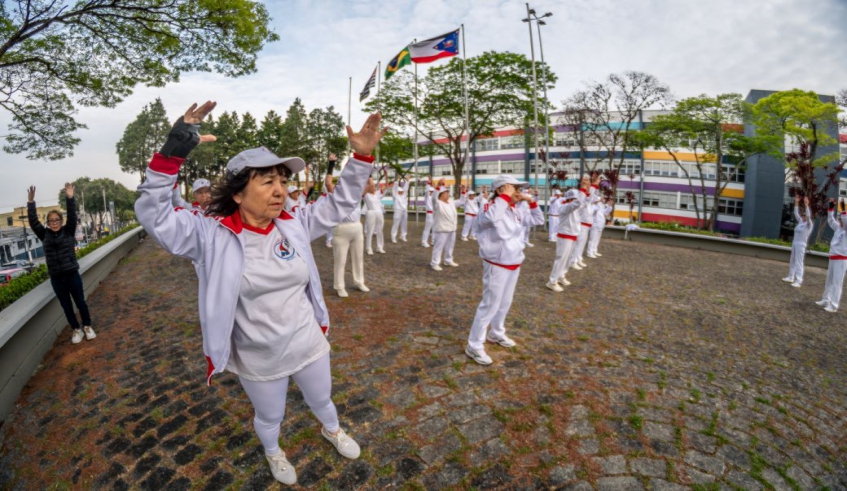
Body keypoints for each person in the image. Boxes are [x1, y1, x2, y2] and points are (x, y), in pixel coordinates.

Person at [135, 102, 387, 485]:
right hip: (258, 355)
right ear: (238, 193)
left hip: (306, 342)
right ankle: (274, 451)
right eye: (268, 182)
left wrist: (362, 156)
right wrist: (173, 153)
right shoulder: (209, 235)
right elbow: (154, 215)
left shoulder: (295, 222)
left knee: (323, 399)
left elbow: (340, 203)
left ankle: (332, 429)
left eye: (283, 182)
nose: (280, 191)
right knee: (271, 416)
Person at [466, 175, 544, 365]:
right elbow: (491, 218)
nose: (518, 191)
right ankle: (474, 345)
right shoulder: (489, 206)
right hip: (496, 263)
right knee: (489, 304)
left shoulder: (513, 209)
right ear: (501, 189)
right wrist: (505, 197)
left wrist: (531, 201)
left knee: (504, 302)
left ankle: (496, 333)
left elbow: (538, 220)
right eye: (513, 187)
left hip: (514, 261)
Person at [27, 183, 95, 344]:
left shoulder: (68, 231)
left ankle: (87, 326)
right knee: (66, 306)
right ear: (48, 222)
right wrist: (31, 203)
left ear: (60, 220)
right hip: (57, 278)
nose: (54, 222)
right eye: (51, 220)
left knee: (80, 301)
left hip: (72, 274)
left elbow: (72, 215)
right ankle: (76, 329)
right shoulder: (44, 235)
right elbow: (33, 222)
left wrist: (70, 197)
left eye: (57, 219)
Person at [327, 168, 369, 298]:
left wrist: (367, 168)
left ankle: (359, 281)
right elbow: (328, 183)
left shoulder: (356, 193)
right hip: (341, 228)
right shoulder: (336, 193)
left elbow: (369, 185)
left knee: (358, 258)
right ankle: (340, 286)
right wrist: (331, 164)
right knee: (341, 260)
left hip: (357, 227)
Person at [546, 189, 584, 292]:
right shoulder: (564, 207)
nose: (577, 201)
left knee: (567, 259)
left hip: (571, 235)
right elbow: (577, 203)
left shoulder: (573, 208)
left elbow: (583, 203)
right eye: (575, 199)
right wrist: (584, 189)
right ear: (571, 199)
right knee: (561, 258)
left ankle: (561, 275)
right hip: (564, 236)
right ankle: (552, 281)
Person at [816, 198, 847, 313]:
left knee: (837, 283)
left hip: (841, 259)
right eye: (839, 219)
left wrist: (843, 209)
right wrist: (830, 208)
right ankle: (826, 299)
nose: (839, 220)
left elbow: (846, 220)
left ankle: (834, 305)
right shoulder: (839, 228)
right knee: (829, 281)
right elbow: (830, 221)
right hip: (833, 257)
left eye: (841, 219)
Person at [568, 175, 600, 270]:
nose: (587, 183)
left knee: (581, 243)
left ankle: (578, 258)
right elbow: (586, 200)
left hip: (586, 223)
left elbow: (592, 198)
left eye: (588, 181)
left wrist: (594, 186)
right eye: (585, 181)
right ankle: (572, 261)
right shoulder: (579, 194)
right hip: (580, 223)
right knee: (577, 243)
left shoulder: (586, 195)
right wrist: (593, 186)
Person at [782, 195, 812, 287]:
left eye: (804, 215)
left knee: (799, 262)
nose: (803, 216)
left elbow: (809, 216)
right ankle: (791, 277)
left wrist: (806, 205)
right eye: (802, 215)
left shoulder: (809, 224)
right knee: (792, 260)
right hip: (795, 243)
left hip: (801, 244)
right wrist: (796, 203)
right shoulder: (800, 222)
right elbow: (796, 213)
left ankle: (799, 280)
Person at [431, 186, 462, 270]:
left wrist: (463, 192)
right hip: (442, 229)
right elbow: (433, 199)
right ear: (440, 195)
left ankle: (448, 260)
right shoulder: (437, 203)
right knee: (439, 247)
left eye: (448, 193)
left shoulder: (451, 202)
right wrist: (437, 187)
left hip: (452, 228)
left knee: (450, 246)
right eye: (445, 193)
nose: (448, 194)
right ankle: (435, 263)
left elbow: (462, 201)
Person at [362, 177, 387, 255]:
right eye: (372, 186)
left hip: (379, 213)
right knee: (370, 231)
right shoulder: (366, 195)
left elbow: (386, 185)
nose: (373, 187)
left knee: (380, 230)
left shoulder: (377, 194)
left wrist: (386, 175)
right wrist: (369, 178)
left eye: (374, 186)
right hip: (371, 213)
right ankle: (368, 248)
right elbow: (366, 188)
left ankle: (379, 247)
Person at [390, 176, 410, 243]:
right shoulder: (395, 195)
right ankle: (393, 236)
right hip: (398, 211)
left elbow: (406, 189)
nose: (401, 192)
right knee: (396, 224)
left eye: (401, 191)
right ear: (397, 191)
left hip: (404, 211)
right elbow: (394, 189)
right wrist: (396, 181)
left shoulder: (404, 195)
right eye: (399, 191)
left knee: (404, 224)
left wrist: (407, 181)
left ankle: (403, 235)